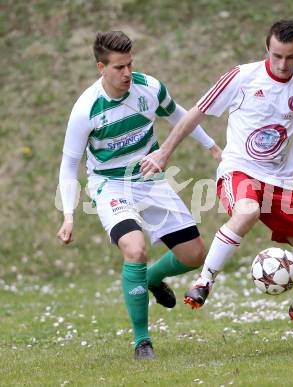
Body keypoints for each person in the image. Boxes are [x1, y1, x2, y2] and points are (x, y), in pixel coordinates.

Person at [140, 19, 293, 346]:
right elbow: (195, 114)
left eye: (291, 58)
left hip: (281, 182)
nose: (283, 64)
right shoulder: (242, 77)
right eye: (277, 56)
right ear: (266, 48)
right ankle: (204, 280)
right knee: (246, 211)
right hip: (239, 170)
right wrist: (164, 154)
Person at [56, 31, 222, 360]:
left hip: (150, 178)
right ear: (100, 67)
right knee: (135, 249)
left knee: (194, 255)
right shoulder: (86, 110)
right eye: (119, 67)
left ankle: (150, 279)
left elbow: (179, 115)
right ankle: (142, 340)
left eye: (130, 64)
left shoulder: (149, 88)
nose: (127, 73)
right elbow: (68, 165)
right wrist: (69, 216)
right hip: (110, 185)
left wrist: (213, 146)